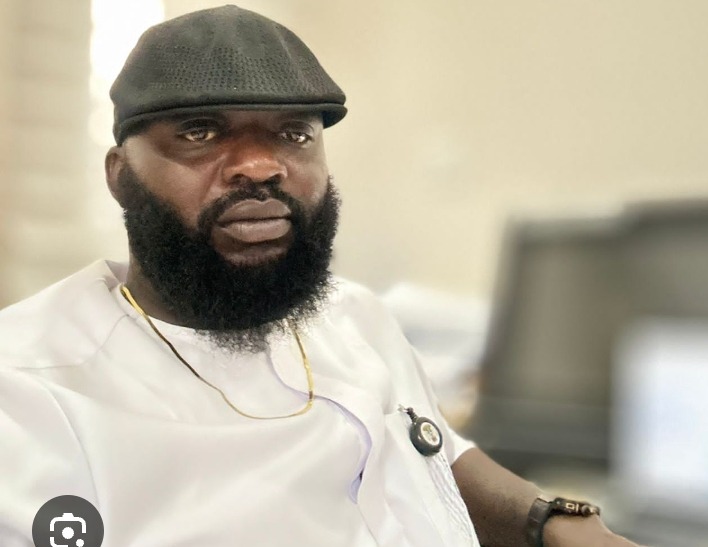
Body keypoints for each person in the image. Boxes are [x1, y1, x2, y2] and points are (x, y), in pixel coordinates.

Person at [0, 5, 642, 547]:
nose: (260, 167)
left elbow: (435, 449)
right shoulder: (27, 389)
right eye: (200, 133)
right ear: (120, 175)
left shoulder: (354, 314)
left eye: (294, 134)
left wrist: (554, 521)